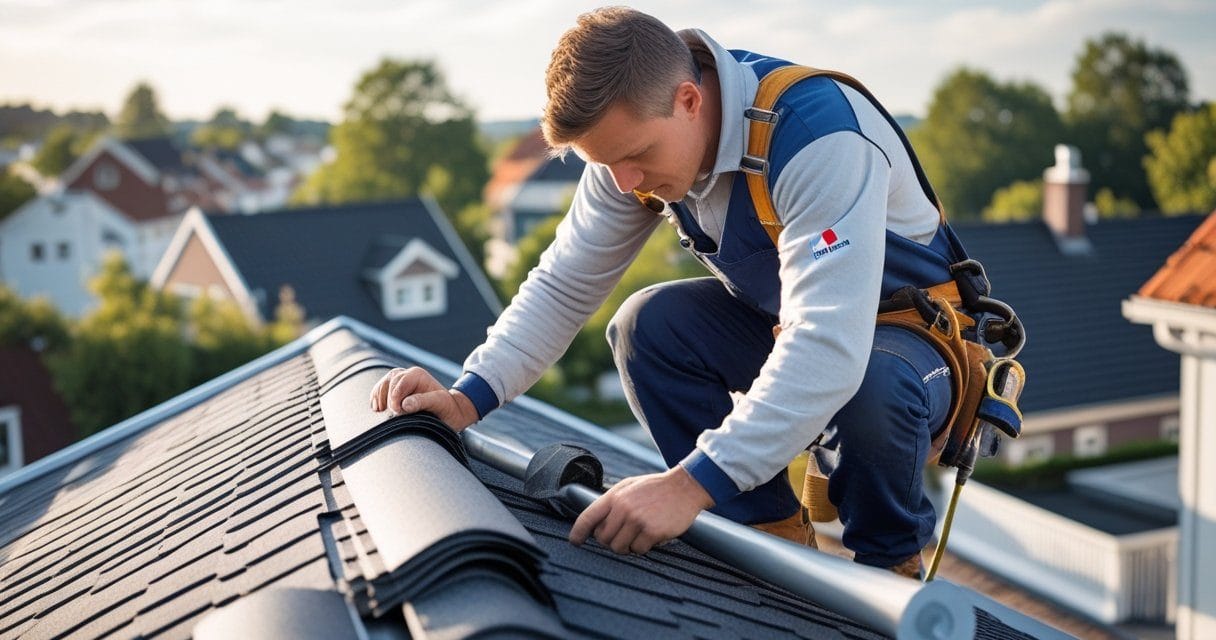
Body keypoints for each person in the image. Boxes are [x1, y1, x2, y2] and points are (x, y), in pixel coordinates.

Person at [370, 6, 963, 578]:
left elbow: (830, 345)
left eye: (636, 157)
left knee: (869, 382)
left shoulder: (818, 137)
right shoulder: (628, 150)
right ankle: (767, 543)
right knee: (646, 326)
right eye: (607, 165)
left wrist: (688, 485)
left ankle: (892, 572)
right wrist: (466, 399)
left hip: (913, 347)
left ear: (689, 100)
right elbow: (564, 283)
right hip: (800, 329)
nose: (625, 182)